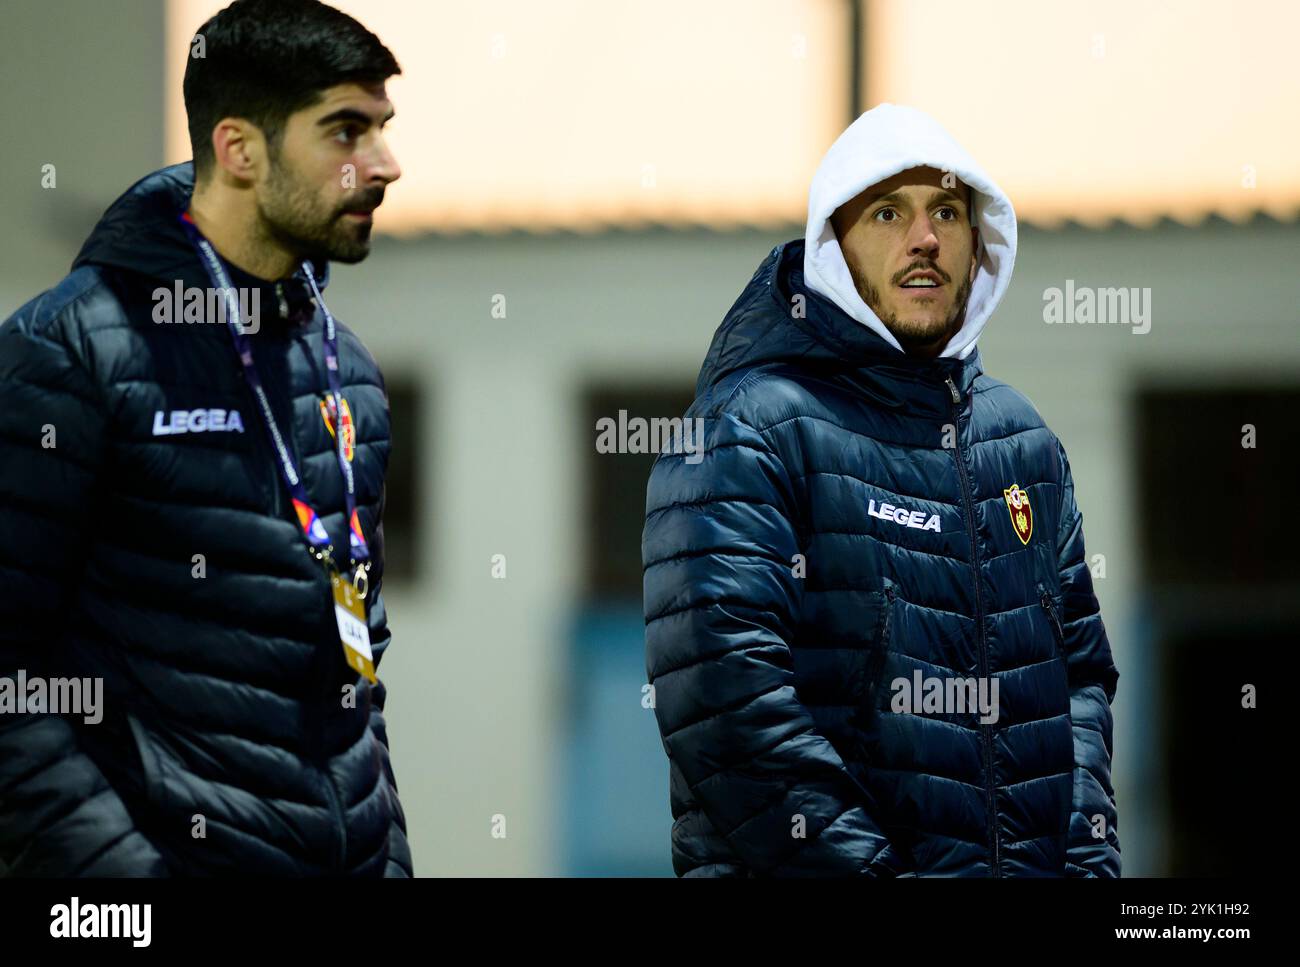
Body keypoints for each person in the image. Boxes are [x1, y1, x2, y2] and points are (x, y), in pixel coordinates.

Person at [643, 103, 1120, 877]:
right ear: (834, 243)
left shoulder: (1024, 444)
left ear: (979, 241)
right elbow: (725, 704)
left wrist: (1089, 860)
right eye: (889, 211)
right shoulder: (750, 431)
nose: (924, 238)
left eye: (947, 212)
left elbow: (1082, 683)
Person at [0, 0, 409, 876]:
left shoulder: (352, 378)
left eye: (382, 129)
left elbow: (360, 681)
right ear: (239, 150)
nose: (384, 165)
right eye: (345, 132)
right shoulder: (70, 352)